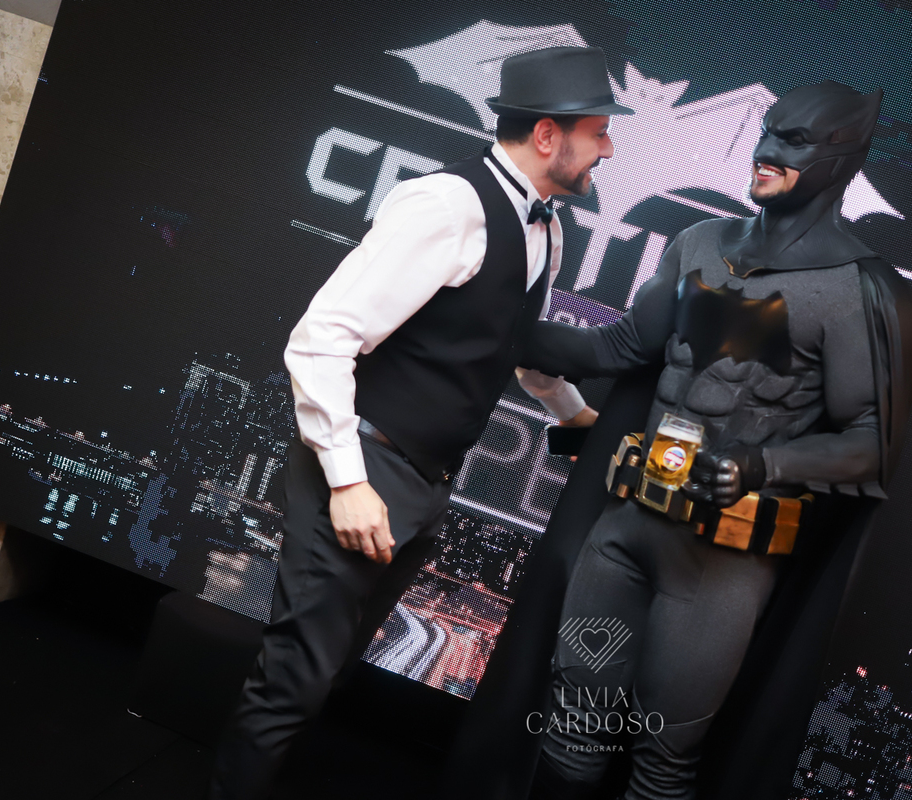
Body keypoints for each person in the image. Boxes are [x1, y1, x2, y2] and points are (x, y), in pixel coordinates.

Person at [437, 80, 912, 800]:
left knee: (664, 761)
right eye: (767, 130)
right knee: (571, 730)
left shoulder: (860, 291)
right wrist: (492, 321)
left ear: (844, 158)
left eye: (793, 141)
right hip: (626, 528)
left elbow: (871, 446)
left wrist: (760, 462)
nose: (766, 149)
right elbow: (622, 347)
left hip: (720, 564)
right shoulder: (700, 242)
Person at [206, 46, 632, 800]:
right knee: (292, 685)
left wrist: (579, 418)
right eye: (598, 131)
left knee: (331, 674)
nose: (608, 147)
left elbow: (508, 344)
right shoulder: (446, 205)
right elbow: (321, 339)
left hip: (426, 484)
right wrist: (348, 483)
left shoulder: (547, 230)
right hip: (365, 469)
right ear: (547, 135)